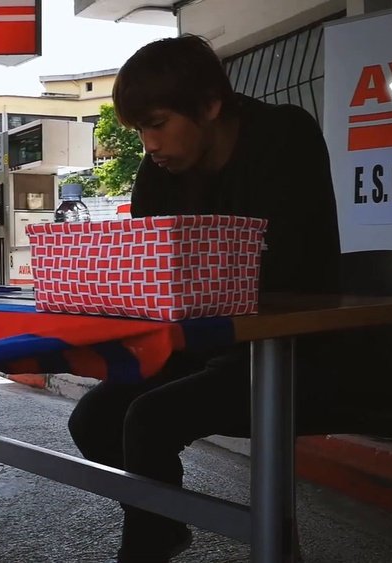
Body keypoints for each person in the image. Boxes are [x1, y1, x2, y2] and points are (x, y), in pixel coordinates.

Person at [66, 35, 342, 562]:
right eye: (141, 129)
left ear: (211, 105)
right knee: (93, 419)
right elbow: (157, 278)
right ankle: (163, 526)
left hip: (298, 352)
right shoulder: (158, 175)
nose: (150, 143)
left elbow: (292, 267)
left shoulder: (285, 137)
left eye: (157, 122)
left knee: (149, 417)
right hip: (208, 349)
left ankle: (148, 546)